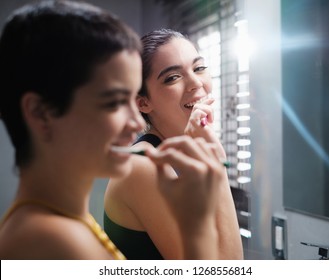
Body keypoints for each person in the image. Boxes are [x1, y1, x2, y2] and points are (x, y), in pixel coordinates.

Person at [0, 1, 227, 260]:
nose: (134, 122)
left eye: (131, 99)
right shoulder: (49, 239)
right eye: (113, 102)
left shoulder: (64, 222)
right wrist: (197, 228)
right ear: (41, 113)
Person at [104, 29, 244, 260]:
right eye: (173, 77)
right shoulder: (142, 166)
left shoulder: (180, 157)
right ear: (143, 103)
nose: (196, 83)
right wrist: (217, 163)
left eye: (199, 68)